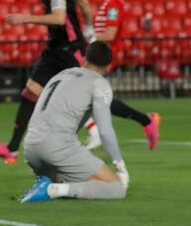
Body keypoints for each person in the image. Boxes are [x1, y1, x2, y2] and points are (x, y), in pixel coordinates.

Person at [0, 0, 93, 164]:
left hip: (70, 51)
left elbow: (59, 18)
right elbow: (83, 1)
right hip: (55, 49)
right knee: (29, 94)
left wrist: (26, 18)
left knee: (93, 95)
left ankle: (145, 120)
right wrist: (89, 27)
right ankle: (12, 148)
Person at [19, 41, 129, 203]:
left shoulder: (61, 75)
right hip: (56, 148)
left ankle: (47, 183)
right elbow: (105, 130)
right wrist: (120, 165)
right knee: (116, 188)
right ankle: (52, 190)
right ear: (108, 66)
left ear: (84, 58)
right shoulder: (99, 83)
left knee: (67, 178)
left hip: (30, 148)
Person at [81, 0, 160, 151]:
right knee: (98, 100)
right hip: (98, 56)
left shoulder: (114, 5)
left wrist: (91, 37)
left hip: (103, 58)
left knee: (91, 98)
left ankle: (92, 135)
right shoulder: (108, 4)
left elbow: (110, 34)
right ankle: (145, 120)